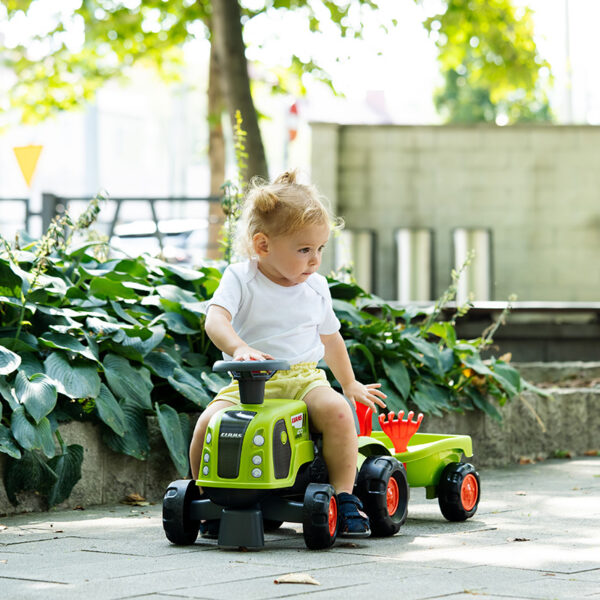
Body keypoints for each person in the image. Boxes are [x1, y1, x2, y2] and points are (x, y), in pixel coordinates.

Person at [189, 169, 387, 537]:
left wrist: (349, 382)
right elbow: (215, 320)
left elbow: (331, 338)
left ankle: (344, 497)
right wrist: (239, 347)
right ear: (263, 245)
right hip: (250, 383)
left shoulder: (316, 286)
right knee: (207, 425)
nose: (315, 261)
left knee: (339, 414)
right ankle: (209, 499)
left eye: (320, 250)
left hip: (304, 379)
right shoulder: (241, 277)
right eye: (304, 250)